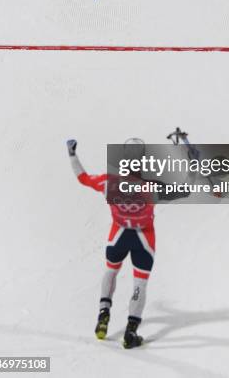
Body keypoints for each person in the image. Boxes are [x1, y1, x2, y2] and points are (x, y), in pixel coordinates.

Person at [67, 137, 156, 349]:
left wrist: (72, 154)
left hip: (118, 237)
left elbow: (83, 178)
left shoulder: (109, 182)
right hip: (144, 239)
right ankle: (131, 331)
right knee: (140, 283)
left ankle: (103, 314)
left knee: (111, 271)